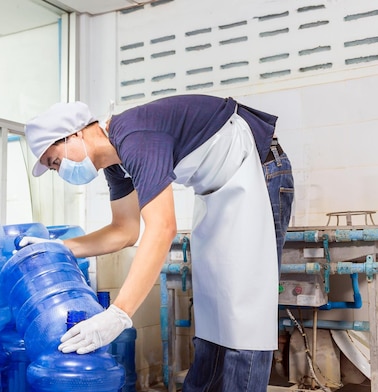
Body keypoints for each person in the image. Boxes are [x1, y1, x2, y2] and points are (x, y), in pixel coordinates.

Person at [20, 95, 294, 392]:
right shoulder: (117, 165)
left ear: (74, 133)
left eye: (56, 161)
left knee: (245, 306)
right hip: (218, 190)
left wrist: (119, 313)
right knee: (216, 305)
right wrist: (60, 247)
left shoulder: (134, 136)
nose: (60, 172)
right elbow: (123, 231)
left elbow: (162, 227)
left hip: (259, 170)